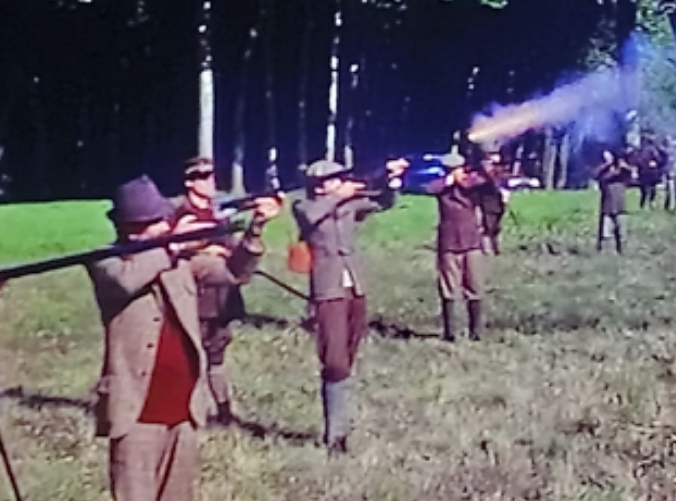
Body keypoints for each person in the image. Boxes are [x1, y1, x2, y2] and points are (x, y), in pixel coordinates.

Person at [87, 175, 270, 501]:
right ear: (134, 228)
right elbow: (123, 283)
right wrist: (170, 246)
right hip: (136, 412)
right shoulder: (108, 260)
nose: (166, 226)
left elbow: (233, 272)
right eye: (157, 222)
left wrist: (255, 230)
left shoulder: (182, 263)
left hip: (184, 410)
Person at [292, 157, 407, 452]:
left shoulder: (348, 204)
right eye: (334, 179)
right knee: (334, 360)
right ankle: (335, 435)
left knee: (350, 353)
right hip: (327, 288)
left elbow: (384, 202)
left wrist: (391, 179)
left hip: (355, 285)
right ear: (319, 184)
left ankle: (340, 423)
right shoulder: (304, 206)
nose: (340, 182)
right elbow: (311, 217)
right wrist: (338, 196)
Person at [173, 156, 282, 426]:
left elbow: (234, 254)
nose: (209, 180)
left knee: (217, 357)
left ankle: (223, 412)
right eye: (202, 176)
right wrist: (203, 248)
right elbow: (172, 246)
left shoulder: (219, 212)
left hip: (221, 296)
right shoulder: (177, 212)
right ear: (189, 182)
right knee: (189, 357)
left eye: (211, 175)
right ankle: (188, 412)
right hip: (192, 295)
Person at [420, 152, 494, 343]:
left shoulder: (473, 183)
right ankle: (450, 332)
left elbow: (486, 184)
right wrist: (448, 181)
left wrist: (484, 167)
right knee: (448, 288)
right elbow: (428, 188)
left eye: (457, 169)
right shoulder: (442, 186)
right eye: (451, 170)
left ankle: (476, 331)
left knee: (475, 286)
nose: (456, 173)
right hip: (449, 243)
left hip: (471, 242)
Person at [594, 150, 634, 253]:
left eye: (609, 156)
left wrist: (624, 166)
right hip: (607, 206)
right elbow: (599, 176)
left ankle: (621, 251)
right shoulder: (603, 172)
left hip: (620, 206)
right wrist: (608, 166)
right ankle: (606, 252)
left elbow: (631, 175)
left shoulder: (622, 172)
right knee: (606, 233)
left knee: (621, 232)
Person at [476, 151, 510, 254]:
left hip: (499, 203)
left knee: (496, 227)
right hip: (486, 203)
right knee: (487, 226)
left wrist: (506, 196)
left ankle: (495, 247)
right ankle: (486, 248)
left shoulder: (501, 173)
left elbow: (505, 185)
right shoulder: (482, 174)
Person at [634, 139, 668, 208]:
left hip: (644, 172)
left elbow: (637, 161)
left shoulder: (640, 150)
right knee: (651, 188)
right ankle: (649, 202)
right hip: (650, 172)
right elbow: (659, 159)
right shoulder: (652, 150)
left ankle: (644, 203)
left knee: (645, 189)